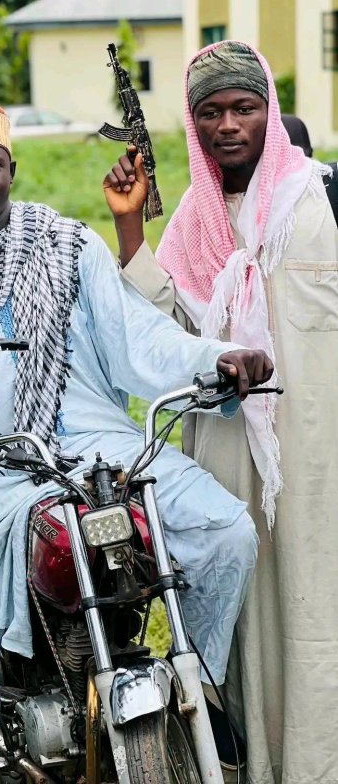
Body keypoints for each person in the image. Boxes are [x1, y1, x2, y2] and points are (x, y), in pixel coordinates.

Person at [0, 97, 273, 784]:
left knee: (226, 534)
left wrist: (214, 358)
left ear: (12, 169)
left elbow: (140, 338)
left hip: (103, 448)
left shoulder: (70, 247)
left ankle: (200, 689)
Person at [103, 41, 338, 784]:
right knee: (242, 618)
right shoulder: (193, 226)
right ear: (193, 123)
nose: (228, 125)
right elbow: (157, 331)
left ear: (269, 110)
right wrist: (131, 227)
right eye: (210, 112)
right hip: (227, 453)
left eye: (244, 107)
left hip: (319, 453)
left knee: (318, 609)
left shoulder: (324, 196)